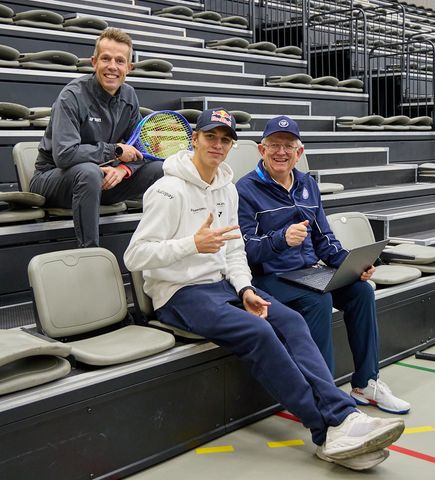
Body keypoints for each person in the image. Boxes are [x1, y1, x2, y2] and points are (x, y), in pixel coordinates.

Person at [124, 108, 404, 471]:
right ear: (195, 139)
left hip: (224, 284)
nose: (218, 145)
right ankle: (327, 429)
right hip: (180, 293)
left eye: (225, 140)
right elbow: (135, 256)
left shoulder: (225, 187)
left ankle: (344, 415)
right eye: (211, 137)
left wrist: (244, 289)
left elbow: (235, 250)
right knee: (260, 331)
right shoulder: (167, 190)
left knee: (289, 321)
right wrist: (192, 244)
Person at [235, 116, 410, 415]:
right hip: (267, 278)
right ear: (261, 150)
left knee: (361, 291)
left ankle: (366, 382)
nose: (281, 152)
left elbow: (325, 240)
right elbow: (244, 250)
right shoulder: (244, 189)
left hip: (307, 273)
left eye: (288, 146)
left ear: (299, 153)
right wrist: (280, 239)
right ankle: (323, 395)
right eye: (274, 145)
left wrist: (354, 266)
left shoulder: (307, 184)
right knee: (318, 300)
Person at [30, 27, 163, 247]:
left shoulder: (129, 96)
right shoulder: (71, 96)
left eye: (120, 61)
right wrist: (115, 151)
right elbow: (65, 155)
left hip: (103, 180)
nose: (112, 67)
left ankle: (157, 245)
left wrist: (123, 170)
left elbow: (139, 148)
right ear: (94, 62)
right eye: (106, 59)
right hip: (54, 178)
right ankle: (90, 253)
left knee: (160, 169)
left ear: (128, 68)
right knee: (89, 172)